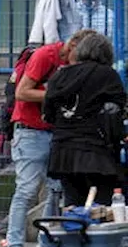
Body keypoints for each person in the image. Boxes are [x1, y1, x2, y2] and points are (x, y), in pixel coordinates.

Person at [4, 29, 88, 247]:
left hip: (55, 132)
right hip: (30, 130)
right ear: (71, 47)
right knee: (27, 190)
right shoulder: (45, 56)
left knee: (55, 190)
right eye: (78, 59)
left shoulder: (71, 61)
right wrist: (57, 93)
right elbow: (22, 91)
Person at [43, 31, 126, 207]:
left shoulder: (59, 75)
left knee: (72, 205)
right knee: (100, 206)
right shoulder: (107, 75)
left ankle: (74, 233)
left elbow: (48, 114)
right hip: (96, 152)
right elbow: (118, 111)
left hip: (63, 152)